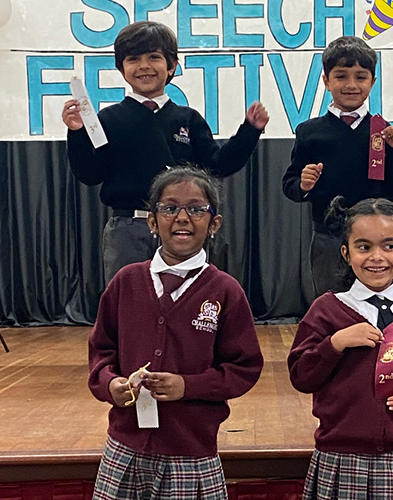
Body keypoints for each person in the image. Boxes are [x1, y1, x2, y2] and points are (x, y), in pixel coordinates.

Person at [88, 166, 264, 499]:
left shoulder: (225, 291)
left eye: (196, 209)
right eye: (170, 208)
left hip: (192, 453)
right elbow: (101, 351)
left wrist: (188, 385)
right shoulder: (125, 282)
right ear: (152, 222)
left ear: (214, 224)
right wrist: (111, 384)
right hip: (125, 448)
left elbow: (244, 368)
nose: (182, 217)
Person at [63, 21, 269, 285]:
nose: (144, 66)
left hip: (180, 225)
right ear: (121, 69)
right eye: (133, 59)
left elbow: (218, 165)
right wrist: (77, 132)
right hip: (128, 228)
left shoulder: (188, 118)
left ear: (171, 66)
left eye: (154, 57)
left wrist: (249, 131)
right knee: (129, 301)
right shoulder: (108, 119)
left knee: (185, 297)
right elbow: (90, 173)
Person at [287, 192, 393, 500]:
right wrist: (334, 344)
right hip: (341, 457)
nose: (376, 257)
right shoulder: (327, 309)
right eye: (363, 246)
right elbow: (301, 375)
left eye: (389, 245)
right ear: (345, 253)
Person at [282, 35, 393, 297]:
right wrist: (303, 184)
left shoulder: (383, 131)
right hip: (328, 237)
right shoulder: (309, 131)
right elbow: (290, 184)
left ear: (373, 82)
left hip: (376, 237)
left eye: (361, 77)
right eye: (341, 76)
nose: (351, 84)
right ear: (326, 81)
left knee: (379, 306)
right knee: (331, 308)